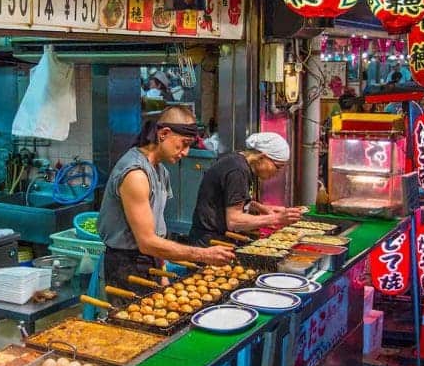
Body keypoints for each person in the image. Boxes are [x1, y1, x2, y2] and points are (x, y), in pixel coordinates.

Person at [98, 106, 235, 294]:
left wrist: (162, 274)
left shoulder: (160, 170)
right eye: (183, 144)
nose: (186, 152)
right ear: (164, 133)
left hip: (151, 260)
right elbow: (146, 242)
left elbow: (156, 229)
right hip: (127, 266)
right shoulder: (136, 174)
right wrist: (202, 254)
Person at [189, 132, 302, 246]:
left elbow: (229, 200)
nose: (277, 173)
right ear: (262, 157)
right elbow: (234, 221)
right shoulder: (237, 171)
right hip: (210, 242)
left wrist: (260, 207)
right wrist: (277, 218)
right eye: (277, 167)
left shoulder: (239, 163)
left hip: (217, 238)